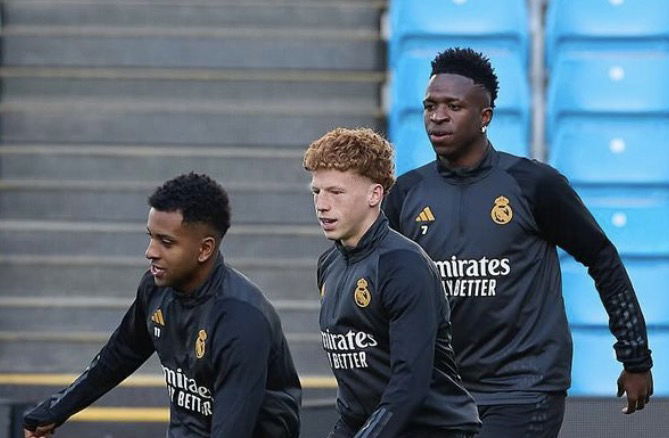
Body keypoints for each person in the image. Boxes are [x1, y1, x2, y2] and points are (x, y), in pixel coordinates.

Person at [383, 47, 654, 438]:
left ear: (485, 116)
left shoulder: (533, 185)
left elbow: (602, 258)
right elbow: (382, 283)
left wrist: (635, 356)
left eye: (453, 106)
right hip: (442, 392)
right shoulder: (408, 193)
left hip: (524, 389)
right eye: (430, 106)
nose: (437, 117)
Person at [23, 172, 302, 438]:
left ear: (205, 249)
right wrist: (55, 410)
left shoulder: (241, 321)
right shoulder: (156, 289)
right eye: (151, 237)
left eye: (166, 242)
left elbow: (231, 431)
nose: (151, 252)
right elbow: (119, 356)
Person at [304, 127, 481, 438]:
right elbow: (353, 396)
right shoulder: (329, 265)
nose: (322, 204)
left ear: (375, 194)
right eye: (317, 192)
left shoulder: (402, 265)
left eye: (336, 192)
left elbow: (409, 384)